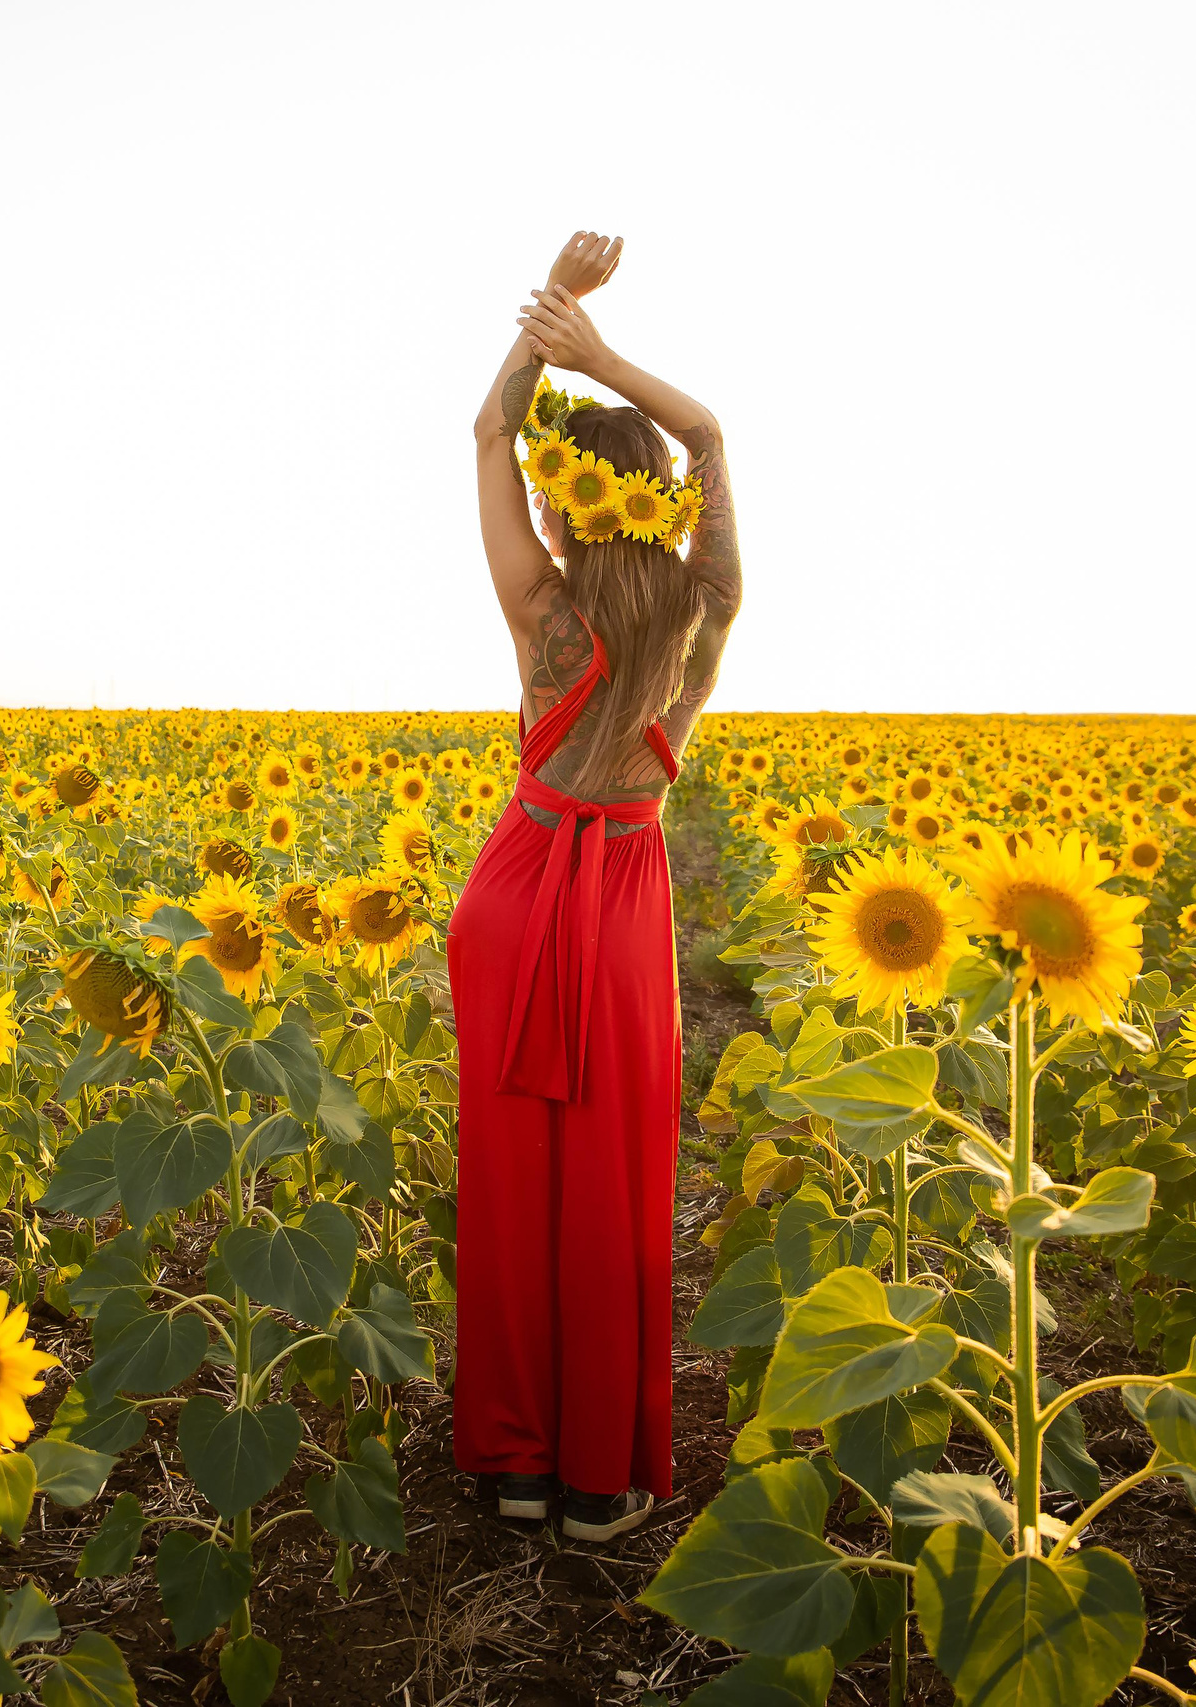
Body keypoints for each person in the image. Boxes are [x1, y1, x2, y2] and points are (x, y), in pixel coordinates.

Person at [447, 230, 743, 1541]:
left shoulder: (540, 610)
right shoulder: (704, 608)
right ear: (666, 498)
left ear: (567, 500)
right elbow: (715, 436)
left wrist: (553, 321)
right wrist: (610, 360)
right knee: (612, 1183)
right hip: (617, 893)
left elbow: (484, 429)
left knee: (512, 1177)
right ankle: (591, 1481)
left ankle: (513, 1462)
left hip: (518, 884)